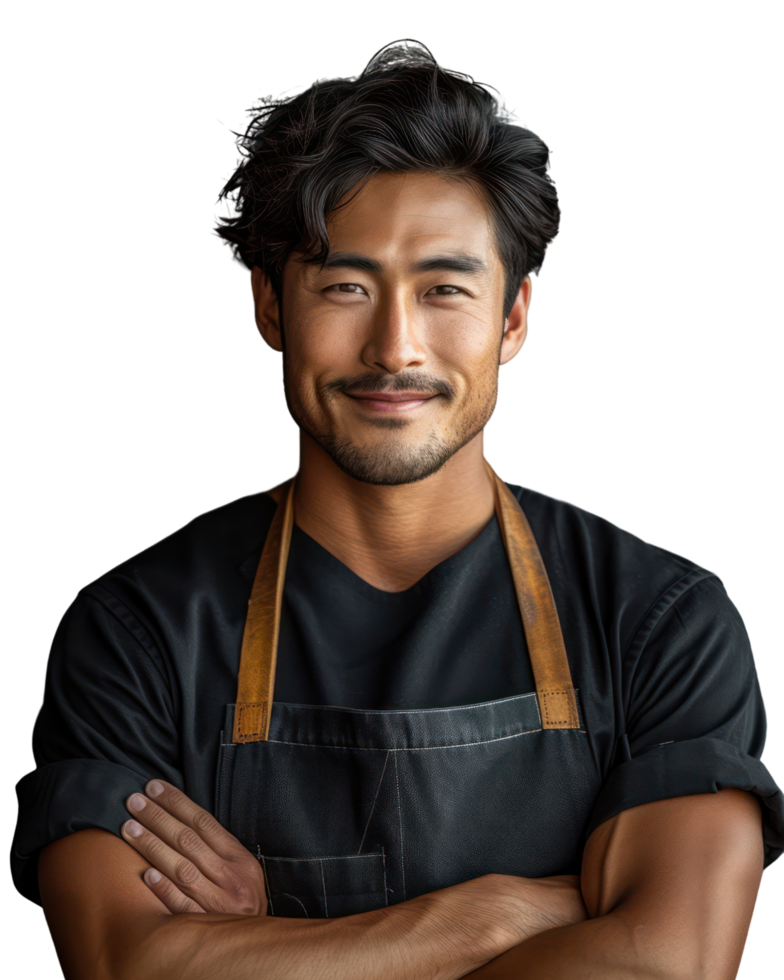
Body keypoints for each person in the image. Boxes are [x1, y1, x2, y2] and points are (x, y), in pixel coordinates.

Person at [12, 37, 783, 979]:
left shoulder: (659, 622)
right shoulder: (136, 634)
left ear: (514, 318)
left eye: (445, 289)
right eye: (345, 286)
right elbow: (129, 966)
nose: (394, 347)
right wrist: (486, 919)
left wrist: (266, 953)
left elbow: (666, 967)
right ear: (268, 309)